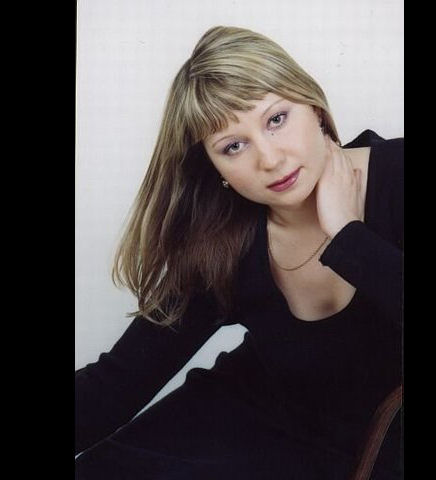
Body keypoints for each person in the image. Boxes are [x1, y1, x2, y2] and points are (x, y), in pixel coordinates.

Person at [75, 25, 403, 479]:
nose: (269, 159)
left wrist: (348, 236)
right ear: (216, 169)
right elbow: (120, 380)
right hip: (235, 428)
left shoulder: (397, 176)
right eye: (233, 146)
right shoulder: (225, 237)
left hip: (370, 452)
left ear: (313, 106)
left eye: (276, 119)